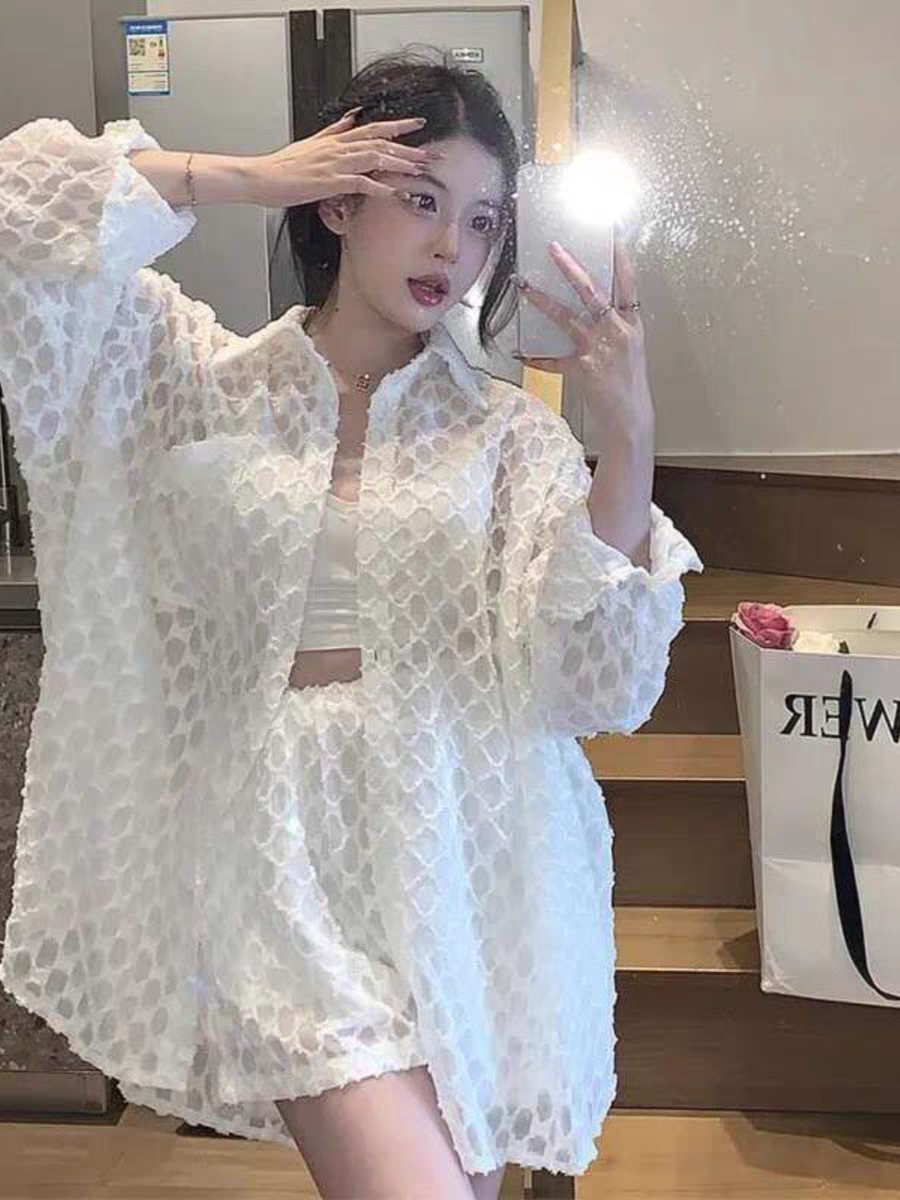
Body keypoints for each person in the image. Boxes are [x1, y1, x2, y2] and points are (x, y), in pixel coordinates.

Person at [0, 49, 703, 1200]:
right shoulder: (193, 379)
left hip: (470, 860)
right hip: (274, 858)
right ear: (339, 197)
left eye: (482, 221)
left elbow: (598, 687)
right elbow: (21, 211)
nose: (451, 247)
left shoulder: (507, 441)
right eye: (419, 200)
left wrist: (628, 440)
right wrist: (252, 177)